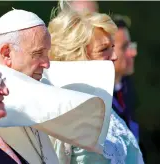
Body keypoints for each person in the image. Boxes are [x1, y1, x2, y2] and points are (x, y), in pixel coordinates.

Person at [0, 9, 113, 164]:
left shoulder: (48, 92)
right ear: (7, 53)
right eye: (38, 53)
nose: (47, 64)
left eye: (47, 53)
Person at [48, 4, 144, 164]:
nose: (114, 56)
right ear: (76, 56)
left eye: (113, 47)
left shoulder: (104, 104)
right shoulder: (63, 112)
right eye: (103, 49)